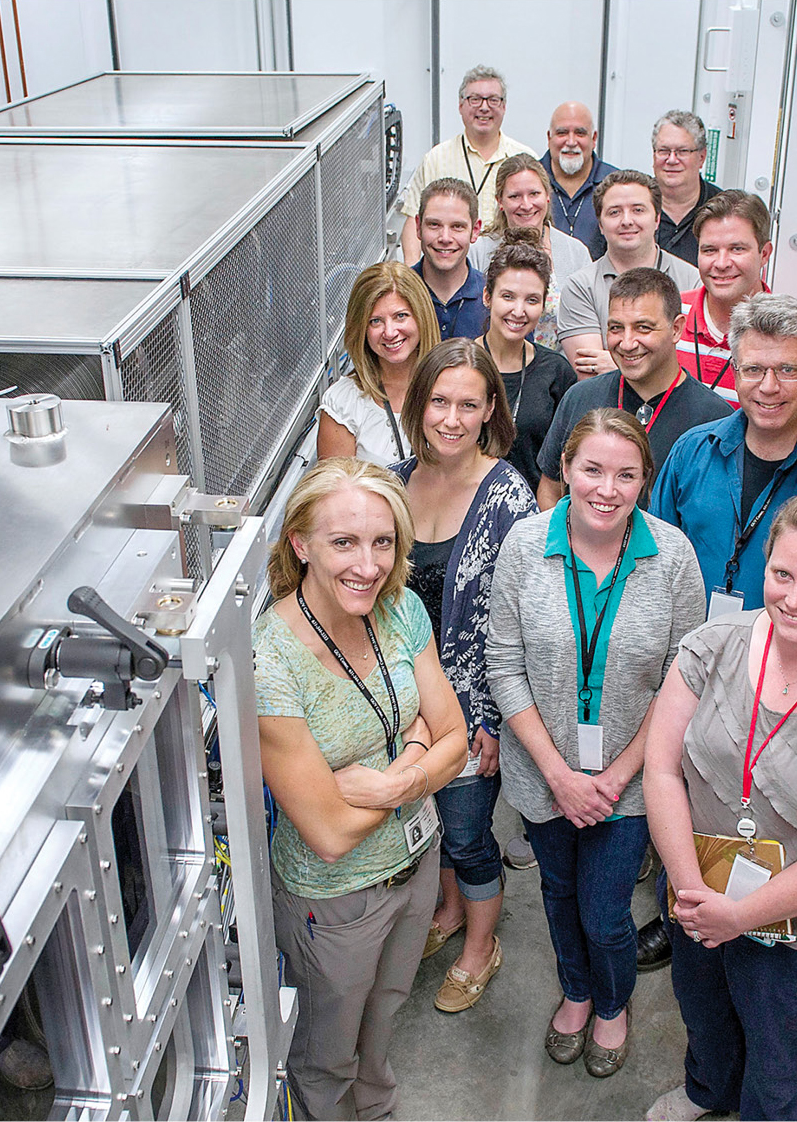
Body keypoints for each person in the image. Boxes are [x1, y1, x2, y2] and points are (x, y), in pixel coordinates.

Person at [644, 492, 797, 1122]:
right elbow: (662, 769)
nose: (794, 599)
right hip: (701, 891)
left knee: (786, 1062)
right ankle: (709, 1090)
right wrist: (694, 892)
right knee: (706, 1015)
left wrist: (741, 914)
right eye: (782, 574)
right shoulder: (711, 645)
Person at [486, 409, 705, 1078]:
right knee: (556, 891)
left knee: (606, 910)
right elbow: (503, 659)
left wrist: (615, 778)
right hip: (541, 772)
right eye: (592, 471)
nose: (607, 490)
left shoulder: (671, 556)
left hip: (634, 783)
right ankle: (575, 991)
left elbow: (682, 677)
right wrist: (558, 773)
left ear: (645, 480)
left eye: (625, 475)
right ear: (566, 472)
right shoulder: (526, 545)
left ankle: (612, 1002)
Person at [254, 457, 468, 1120]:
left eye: (382, 542)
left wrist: (386, 783)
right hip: (336, 899)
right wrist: (418, 751)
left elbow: (456, 737)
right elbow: (326, 833)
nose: (367, 565)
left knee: (385, 1014)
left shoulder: (399, 609)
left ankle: (375, 1108)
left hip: (415, 862)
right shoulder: (271, 660)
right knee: (327, 1049)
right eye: (343, 542)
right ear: (301, 545)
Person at [391, 338, 537, 1013]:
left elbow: (520, 624)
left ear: (489, 413)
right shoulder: (392, 482)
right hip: (400, 706)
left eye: (468, 405)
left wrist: (492, 719)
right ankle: (447, 913)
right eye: (440, 401)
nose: (451, 418)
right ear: (419, 404)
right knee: (429, 824)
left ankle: (481, 946)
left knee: (469, 832)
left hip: (471, 711)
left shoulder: (508, 497)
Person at [652, 292, 797, 647]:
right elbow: (652, 573)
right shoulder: (690, 454)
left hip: (795, 688)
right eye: (754, 369)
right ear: (735, 371)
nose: (768, 387)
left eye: (787, 370)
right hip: (685, 670)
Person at [536, 268, 732, 510]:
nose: (627, 343)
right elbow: (550, 489)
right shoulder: (580, 397)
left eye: (643, 328)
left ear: (676, 329)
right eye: (616, 328)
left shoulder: (714, 419)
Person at [558, 170, 699, 381]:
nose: (626, 221)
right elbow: (590, 375)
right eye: (614, 212)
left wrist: (614, 363)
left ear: (657, 219)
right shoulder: (580, 287)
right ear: (601, 225)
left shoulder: (692, 280)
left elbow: (694, 366)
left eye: (638, 210)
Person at [399, 66, 536, 266]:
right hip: (448, 268)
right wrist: (411, 273)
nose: (484, 107)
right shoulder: (436, 158)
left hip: (510, 269)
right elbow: (413, 220)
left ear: (504, 107)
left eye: (493, 100)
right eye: (475, 99)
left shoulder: (525, 158)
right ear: (461, 106)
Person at [473, 237, 577, 492]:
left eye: (531, 300)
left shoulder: (556, 372)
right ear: (487, 296)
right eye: (508, 296)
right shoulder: (456, 364)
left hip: (534, 514)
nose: (519, 311)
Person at [317, 261, 438, 466]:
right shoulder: (344, 403)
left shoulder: (452, 384)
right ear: (361, 328)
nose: (389, 332)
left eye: (401, 316)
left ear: (422, 317)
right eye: (375, 321)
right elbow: (335, 493)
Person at [468, 153, 591, 352]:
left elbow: (585, 326)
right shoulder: (478, 251)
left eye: (534, 194)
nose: (526, 205)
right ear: (500, 201)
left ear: (548, 196)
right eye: (515, 196)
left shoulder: (576, 252)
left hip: (557, 372)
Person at [676, 190, 772, 404]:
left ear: (764, 254)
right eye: (709, 250)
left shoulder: (784, 332)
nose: (721, 263)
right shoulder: (670, 313)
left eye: (736, 249)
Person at [411, 177, 486, 341]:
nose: (445, 238)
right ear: (418, 226)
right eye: (434, 225)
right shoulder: (398, 293)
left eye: (457, 226)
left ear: (475, 230)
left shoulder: (493, 299)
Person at [540, 101, 618, 261]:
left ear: (594, 138)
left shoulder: (615, 185)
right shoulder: (529, 182)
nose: (571, 142)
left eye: (580, 133)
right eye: (562, 133)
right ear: (549, 137)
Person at [651, 111, 723, 267]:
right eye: (663, 150)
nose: (671, 160)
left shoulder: (724, 209)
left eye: (682, 151)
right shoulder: (633, 205)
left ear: (702, 157)